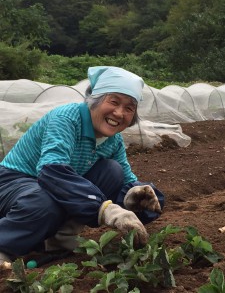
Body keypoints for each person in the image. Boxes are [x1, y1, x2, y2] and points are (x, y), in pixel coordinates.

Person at [0, 66, 164, 265]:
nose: (119, 113)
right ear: (93, 100)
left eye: (129, 108)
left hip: (50, 185)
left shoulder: (114, 141)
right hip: (15, 180)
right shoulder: (67, 119)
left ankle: (57, 243)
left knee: (112, 171)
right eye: (113, 101)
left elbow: (126, 180)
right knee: (44, 201)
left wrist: (136, 196)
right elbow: (51, 172)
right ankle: (4, 247)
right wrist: (105, 210)